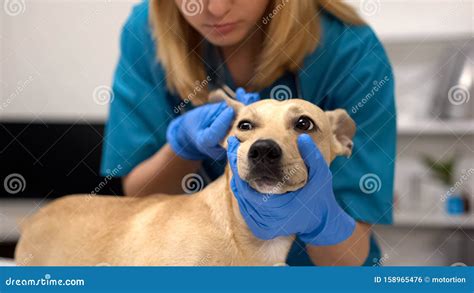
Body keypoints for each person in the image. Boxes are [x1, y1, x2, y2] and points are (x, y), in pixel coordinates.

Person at [100, 0, 396, 266]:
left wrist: (320, 221)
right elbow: (140, 199)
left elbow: (349, 258)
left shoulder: (349, 48)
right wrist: (182, 146)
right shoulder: (149, 28)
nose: (215, 8)